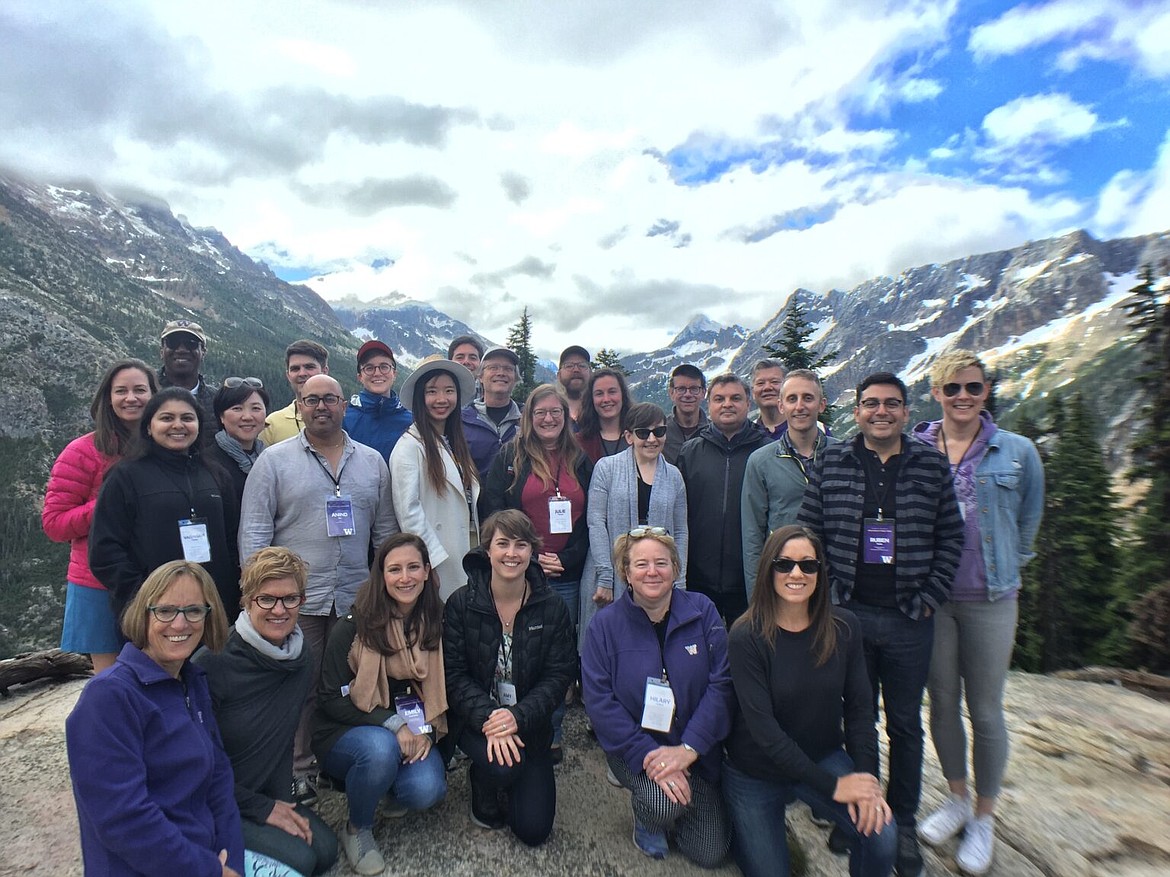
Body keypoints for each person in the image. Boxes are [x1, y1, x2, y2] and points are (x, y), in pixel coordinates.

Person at [799, 372, 964, 877]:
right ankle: (862, 813)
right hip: (847, 615)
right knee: (855, 717)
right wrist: (829, 595)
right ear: (857, 411)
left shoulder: (931, 466)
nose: (881, 412)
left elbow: (951, 537)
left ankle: (905, 822)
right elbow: (810, 529)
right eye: (871, 404)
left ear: (906, 411)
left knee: (906, 724)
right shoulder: (832, 460)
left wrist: (929, 598)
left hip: (908, 618)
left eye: (891, 404)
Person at [911, 351, 1044, 876]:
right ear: (936, 393)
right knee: (941, 702)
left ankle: (985, 816)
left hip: (991, 598)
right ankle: (957, 797)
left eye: (972, 388)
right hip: (933, 597)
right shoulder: (917, 447)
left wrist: (1009, 568)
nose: (962, 397)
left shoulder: (1016, 451)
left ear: (986, 391)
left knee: (985, 708)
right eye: (952, 389)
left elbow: (1029, 519)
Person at [240, 372, 398, 806]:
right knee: (300, 685)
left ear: (344, 404)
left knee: (354, 682)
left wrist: (387, 590)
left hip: (356, 596)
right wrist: (258, 594)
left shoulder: (371, 462)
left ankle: (341, 763)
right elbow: (254, 531)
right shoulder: (273, 461)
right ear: (300, 406)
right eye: (312, 400)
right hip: (296, 601)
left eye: (330, 399)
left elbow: (385, 531)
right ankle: (298, 768)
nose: (321, 407)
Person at [724, 526, 896, 877]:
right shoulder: (746, 635)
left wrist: (867, 782)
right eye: (784, 564)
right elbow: (765, 732)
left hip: (821, 755)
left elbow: (862, 711)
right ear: (768, 571)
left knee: (882, 836)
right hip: (756, 771)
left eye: (808, 565)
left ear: (820, 571)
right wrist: (834, 786)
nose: (797, 573)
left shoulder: (844, 628)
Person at [65, 560, 244, 877]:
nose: (180, 624)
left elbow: (219, 780)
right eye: (165, 611)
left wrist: (232, 864)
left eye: (193, 610)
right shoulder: (109, 698)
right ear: (143, 615)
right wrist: (208, 871)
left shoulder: (192, 682)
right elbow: (124, 819)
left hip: (208, 858)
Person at [581, 528, 733, 866]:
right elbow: (600, 703)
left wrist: (688, 749)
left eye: (662, 563)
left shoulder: (702, 611)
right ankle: (649, 817)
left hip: (694, 750)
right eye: (641, 564)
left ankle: (680, 805)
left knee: (710, 853)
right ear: (626, 574)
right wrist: (653, 758)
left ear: (676, 569)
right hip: (635, 751)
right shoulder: (604, 626)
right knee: (665, 803)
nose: (652, 571)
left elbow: (721, 685)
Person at [194, 548, 338, 877]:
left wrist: (281, 802)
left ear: (302, 601)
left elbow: (281, 739)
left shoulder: (299, 658)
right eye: (266, 599)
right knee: (300, 861)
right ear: (247, 600)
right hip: (214, 802)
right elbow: (196, 768)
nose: (279, 610)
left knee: (324, 852)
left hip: (262, 792)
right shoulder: (212, 664)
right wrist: (264, 809)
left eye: (290, 599)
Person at [313, 534, 449, 875]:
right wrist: (395, 725)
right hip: (349, 730)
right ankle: (357, 828)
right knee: (379, 749)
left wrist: (426, 735)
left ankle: (386, 786)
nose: (405, 578)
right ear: (381, 575)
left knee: (427, 789)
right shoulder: (355, 625)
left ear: (427, 571)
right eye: (395, 569)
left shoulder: (437, 619)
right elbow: (330, 698)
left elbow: (449, 691)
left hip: (414, 726)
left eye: (413, 567)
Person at [443, 510, 576, 846]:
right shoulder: (461, 604)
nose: (511, 554)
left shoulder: (552, 606)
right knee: (502, 767)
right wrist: (492, 717)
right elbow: (453, 675)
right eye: (502, 543)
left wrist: (516, 717)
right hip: (476, 721)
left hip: (528, 723)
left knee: (533, 831)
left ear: (532, 551)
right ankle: (483, 778)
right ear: (487, 550)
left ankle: (512, 774)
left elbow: (559, 675)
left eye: (521, 544)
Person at [481, 383, 592, 760]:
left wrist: (571, 558)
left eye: (555, 413)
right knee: (517, 653)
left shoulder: (580, 460)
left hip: (566, 575)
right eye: (540, 412)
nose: (548, 419)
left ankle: (553, 730)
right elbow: (491, 509)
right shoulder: (510, 456)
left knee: (557, 656)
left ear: (566, 417)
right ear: (529, 417)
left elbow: (592, 518)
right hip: (520, 573)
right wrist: (525, 557)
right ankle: (509, 724)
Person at [90, 386, 240, 629]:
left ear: (199, 426)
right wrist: (143, 594)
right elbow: (104, 550)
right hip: (153, 611)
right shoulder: (125, 476)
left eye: (187, 418)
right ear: (149, 426)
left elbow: (232, 538)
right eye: (167, 418)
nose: (178, 425)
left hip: (214, 606)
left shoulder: (216, 475)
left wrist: (230, 589)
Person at [44, 359, 158, 674]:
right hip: (97, 584)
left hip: (152, 579)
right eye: (121, 391)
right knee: (112, 682)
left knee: (157, 676)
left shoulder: (163, 449)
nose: (131, 398)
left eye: (140, 390)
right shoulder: (82, 451)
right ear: (107, 399)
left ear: (154, 395)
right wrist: (108, 504)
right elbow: (54, 524)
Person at [582, 402, 688, 649]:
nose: (651, 439)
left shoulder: (674, 476)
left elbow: (680, 531)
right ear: (629, 436)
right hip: (608, 571)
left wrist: (678, 579)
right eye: (643, 432)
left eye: (659, 432)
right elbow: (596, 521)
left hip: (656, 575)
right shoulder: (606, 468)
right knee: (607, 644)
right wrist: (606, 576)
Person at [677, 373, 768, 623]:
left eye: (735, 398)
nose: (727, 404)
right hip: (699, 578)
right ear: (709, 405)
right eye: (719, 399)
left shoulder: (766, 451)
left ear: (748, 404)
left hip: (748, 578)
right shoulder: (691, 451)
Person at [390, 356, 480, 601]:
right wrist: (430, 561)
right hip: (440, 559)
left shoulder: (452, 442)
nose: (442, 399)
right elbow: (409, 512)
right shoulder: (409, 447)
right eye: (432, 391)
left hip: (465, 548)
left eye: (449, 391)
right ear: (421, 398)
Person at [741, 368, 837, 598]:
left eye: (808, 398)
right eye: (792, 399)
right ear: (781, 406)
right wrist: (757, 594)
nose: (800, 406)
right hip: (783, 576)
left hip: (832, 579)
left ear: (821, 405)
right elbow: (752, 534)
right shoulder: (761, 461)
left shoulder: (842, 455)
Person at [343, 339, 412, 463]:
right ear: (360, 377)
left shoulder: (411, 420)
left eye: (384, 367)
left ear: (394, 373)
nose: (377, 373)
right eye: (369, 368)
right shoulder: (345, 419)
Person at [205, 377, 270, 506]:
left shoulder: (269, 458)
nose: (247, 417)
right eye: (237, 409)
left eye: (256, 408)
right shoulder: (207, 463)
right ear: (221, 416)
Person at [462, 346, 522, 480]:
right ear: (481, 377)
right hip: (474, 499)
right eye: (493, 367)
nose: (501, 373)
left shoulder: (527, 420)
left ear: (515, 378)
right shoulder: (463, 420)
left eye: (508, 369)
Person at [157, 319, 218, 447]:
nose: (181, 349)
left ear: (203, 352)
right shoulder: (147, 395)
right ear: (162, 351)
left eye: (191, 344)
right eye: (173, 343)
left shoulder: (218, 400)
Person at [260, 340, 330, 447]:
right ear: (288, 375)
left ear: (324, 371)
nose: (302, 373)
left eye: (309, 367)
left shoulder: (341, 418)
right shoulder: (272, 424)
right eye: (295, 369)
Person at [577, 367, 633, 462]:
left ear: (623, 395)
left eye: (612, 392)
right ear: (591, 399)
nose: (606, 399)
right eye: (599, 394)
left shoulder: (639, 437)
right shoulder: (579, 443)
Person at [663, 364, 708, 465]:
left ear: (703, 393)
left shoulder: (714, 433)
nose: (688, 394)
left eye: (694, 389)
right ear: (671, 393)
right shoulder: (660, 432)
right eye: (681, 389)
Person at [750, 359, 787, 441]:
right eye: (760, 383)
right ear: (753, 392)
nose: (767, 388)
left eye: (774, 382)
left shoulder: (813, 430)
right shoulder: (746, 435)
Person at [556, 345, 592, 423]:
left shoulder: (600, 410)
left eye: (582, 365)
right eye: (569, 366)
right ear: (559, 375)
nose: (576, 370)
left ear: (590, 373)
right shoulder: (549, 413)